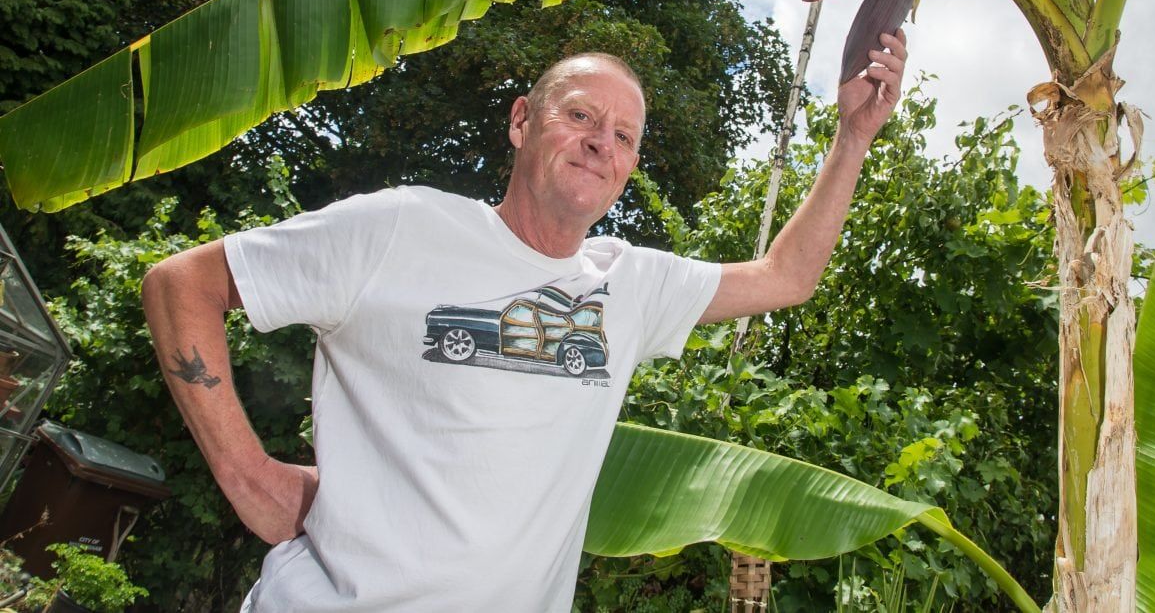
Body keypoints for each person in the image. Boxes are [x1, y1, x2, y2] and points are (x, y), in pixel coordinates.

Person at [141, 32, 907, 612]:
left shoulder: (628, 284)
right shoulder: (402, 228)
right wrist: (250, 478)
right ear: (522, 122)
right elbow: (182, 285)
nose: (601, 142)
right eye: (581, 115)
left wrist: (851, 139)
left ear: (630, 166)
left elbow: (788, 275)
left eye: (624, 135)